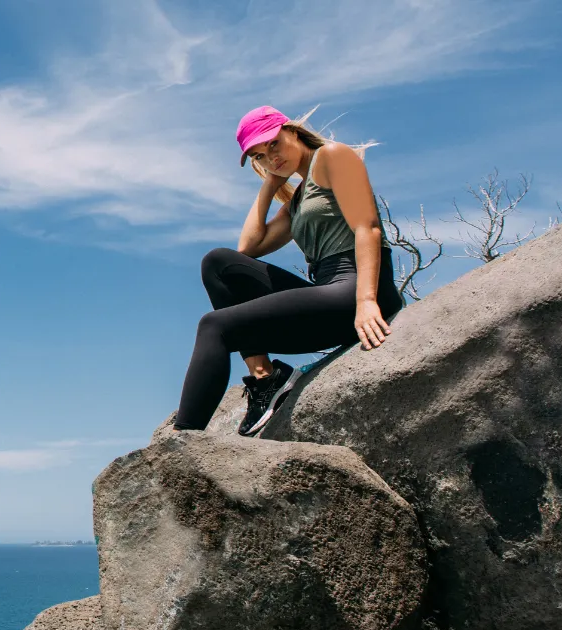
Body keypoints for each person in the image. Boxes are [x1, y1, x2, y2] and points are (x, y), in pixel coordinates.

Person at [173, 105, 403, 436]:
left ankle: (183, 442)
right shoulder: (297, 200)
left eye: (274, 145)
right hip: (327, 294)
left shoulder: (333, 157)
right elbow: (249, 248)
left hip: (357, 289)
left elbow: (368, 227)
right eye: (260, 156)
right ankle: (266, 381)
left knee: (214, 326)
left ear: (292, 131)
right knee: (218, 263)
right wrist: (270, 183)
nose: (271, 158)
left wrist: (366, 300)